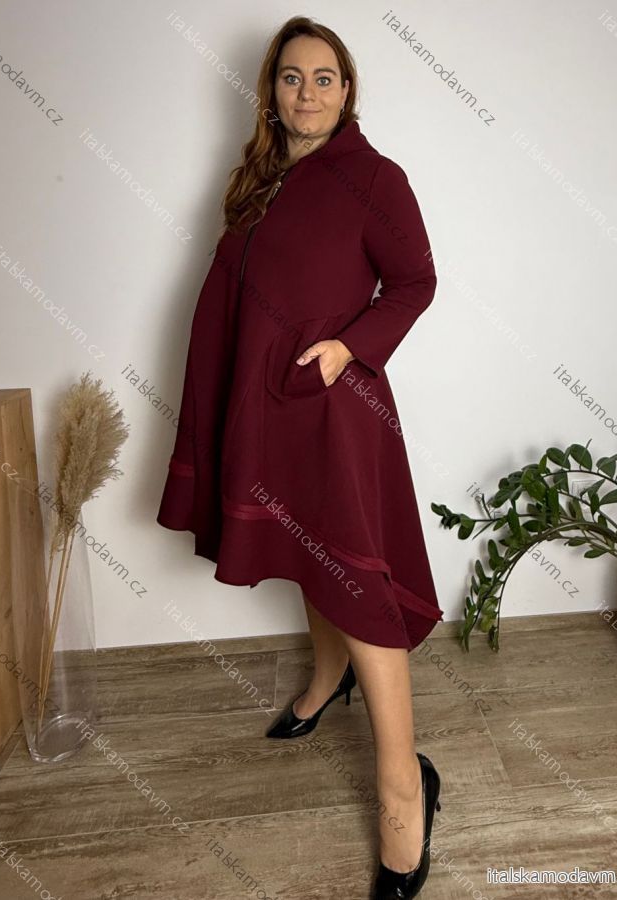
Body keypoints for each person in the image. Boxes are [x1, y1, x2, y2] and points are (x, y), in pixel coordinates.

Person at [157, 15, 443, 899]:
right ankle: (325, 679)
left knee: (356, 580)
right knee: (305, 556)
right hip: (261, 405)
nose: (306, 92)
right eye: (291, 77)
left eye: (324, 78)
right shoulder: (257, 177)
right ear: (270, 91)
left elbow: (416, 282)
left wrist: (347, 349)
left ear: (347, 91)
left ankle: (405, 792)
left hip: (330, 410)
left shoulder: (373, 178)